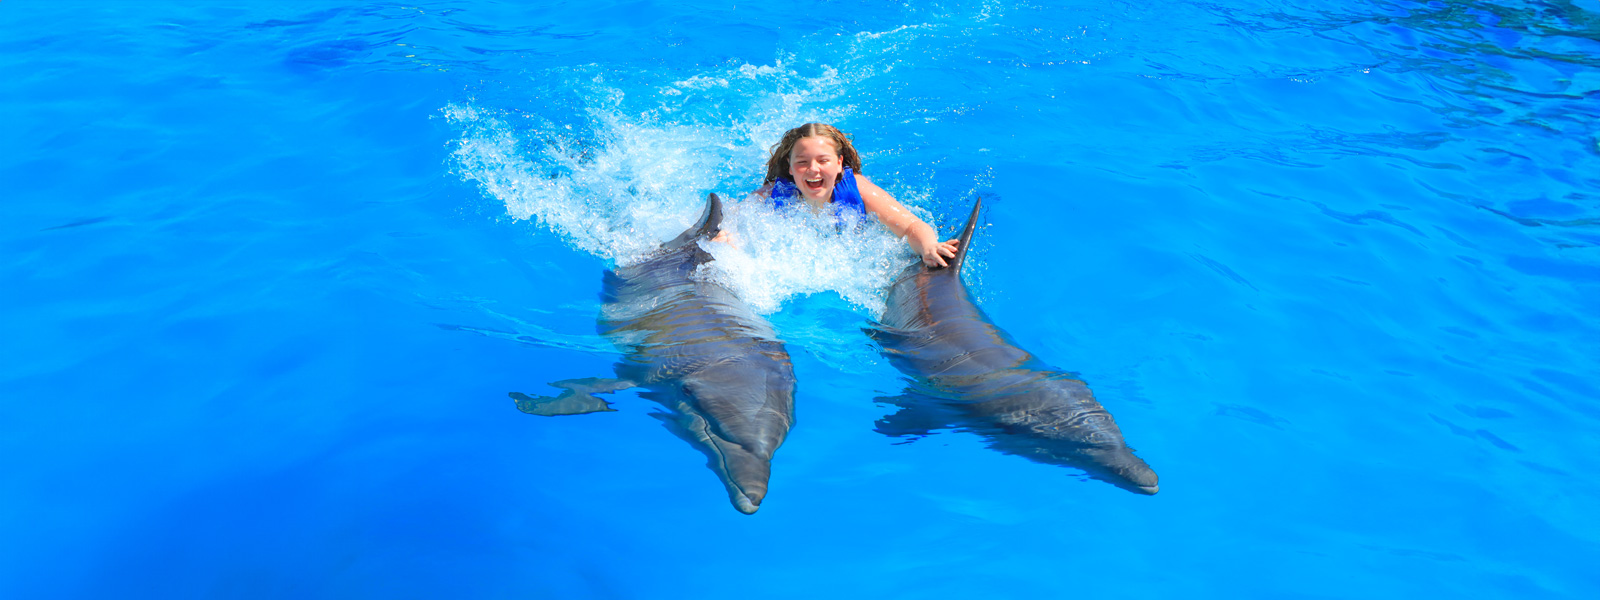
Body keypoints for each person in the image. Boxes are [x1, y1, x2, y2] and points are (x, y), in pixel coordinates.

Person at [753, 123, 960, 268]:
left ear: (839, 163)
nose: (813, 169)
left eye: (823, 160)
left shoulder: (858, 189)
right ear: (790, 168)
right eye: (802, 162)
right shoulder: (773, 195)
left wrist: (928, 246)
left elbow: (911, 226)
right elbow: (732, 219)